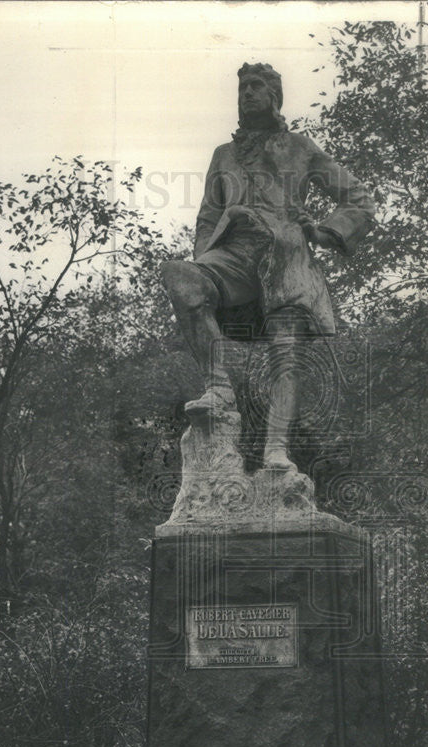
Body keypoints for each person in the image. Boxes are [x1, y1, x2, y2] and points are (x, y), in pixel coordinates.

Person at [161, 62, 375, 472]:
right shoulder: (222, 155)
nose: (248, 94)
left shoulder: (301, 146)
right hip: (234, 254)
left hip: (286, 252)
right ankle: (219, 387)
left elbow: (359, 200)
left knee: (286, 351)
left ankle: (276, 450)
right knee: (181, 277)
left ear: (275, 96)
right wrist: (205, 260)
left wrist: (325, 232)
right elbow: (208, 217)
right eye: (243, 87)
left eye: (257, 86)